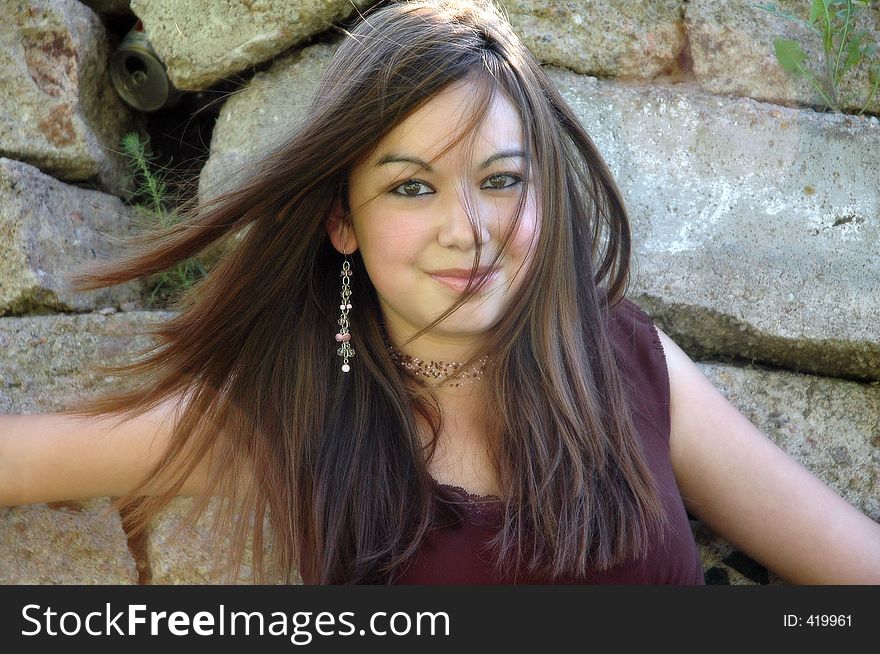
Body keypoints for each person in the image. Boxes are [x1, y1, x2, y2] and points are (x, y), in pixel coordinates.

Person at [1, 0, 878, 585]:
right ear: (342, 222)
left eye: (501, 180)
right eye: (412, 188)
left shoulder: (626, 360)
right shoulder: (297, 411)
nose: (470, 228)